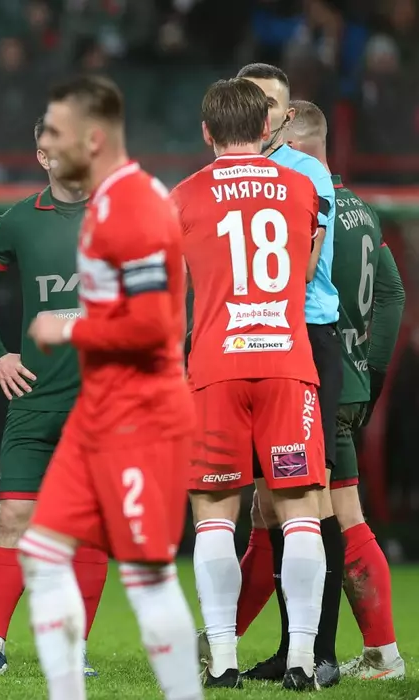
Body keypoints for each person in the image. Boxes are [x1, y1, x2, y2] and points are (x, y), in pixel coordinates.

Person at [23, 75, 201, 700]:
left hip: (142, 415)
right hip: (97, 411)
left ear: (92, 139)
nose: (46, 142)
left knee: (148, 577)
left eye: (56, 131)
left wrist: (68, 327)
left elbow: (154, 326)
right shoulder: (105, 201)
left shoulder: (136, 207)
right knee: (42, 552)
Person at [174, 78, 329, 691]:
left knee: (214, 515)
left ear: (207, 132)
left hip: (216, 369)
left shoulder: (183, 196)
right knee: (300, 513)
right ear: (267, 128)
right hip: (288, 366)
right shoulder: (303, 187)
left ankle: (223, 660)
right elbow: (306, 270)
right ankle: (301, 661)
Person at [0, 116, 108, 676]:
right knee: (13, 517)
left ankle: (74, 650)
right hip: (35, 400)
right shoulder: (20, 219)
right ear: (42, 156)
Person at [227, 63, 343, 686]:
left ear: (287, 113)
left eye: (270, 103)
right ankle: (289, 646)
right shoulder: (231, 174)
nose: (262, 114)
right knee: (270, 505)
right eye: (252, 102)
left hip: (305, 336)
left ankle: (320, 652)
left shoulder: (307, 172)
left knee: (310, 495)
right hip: (253, 346)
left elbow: (306, 264)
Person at [285, 100, 407, 680]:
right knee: (317, 512)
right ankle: (379, 652)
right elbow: (393, 295)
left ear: (297, 147)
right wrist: (374, 374)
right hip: (352, 377)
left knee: (302, 514)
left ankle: (222, 643)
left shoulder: (306, 207)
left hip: (316, 374)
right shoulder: (365, 211)